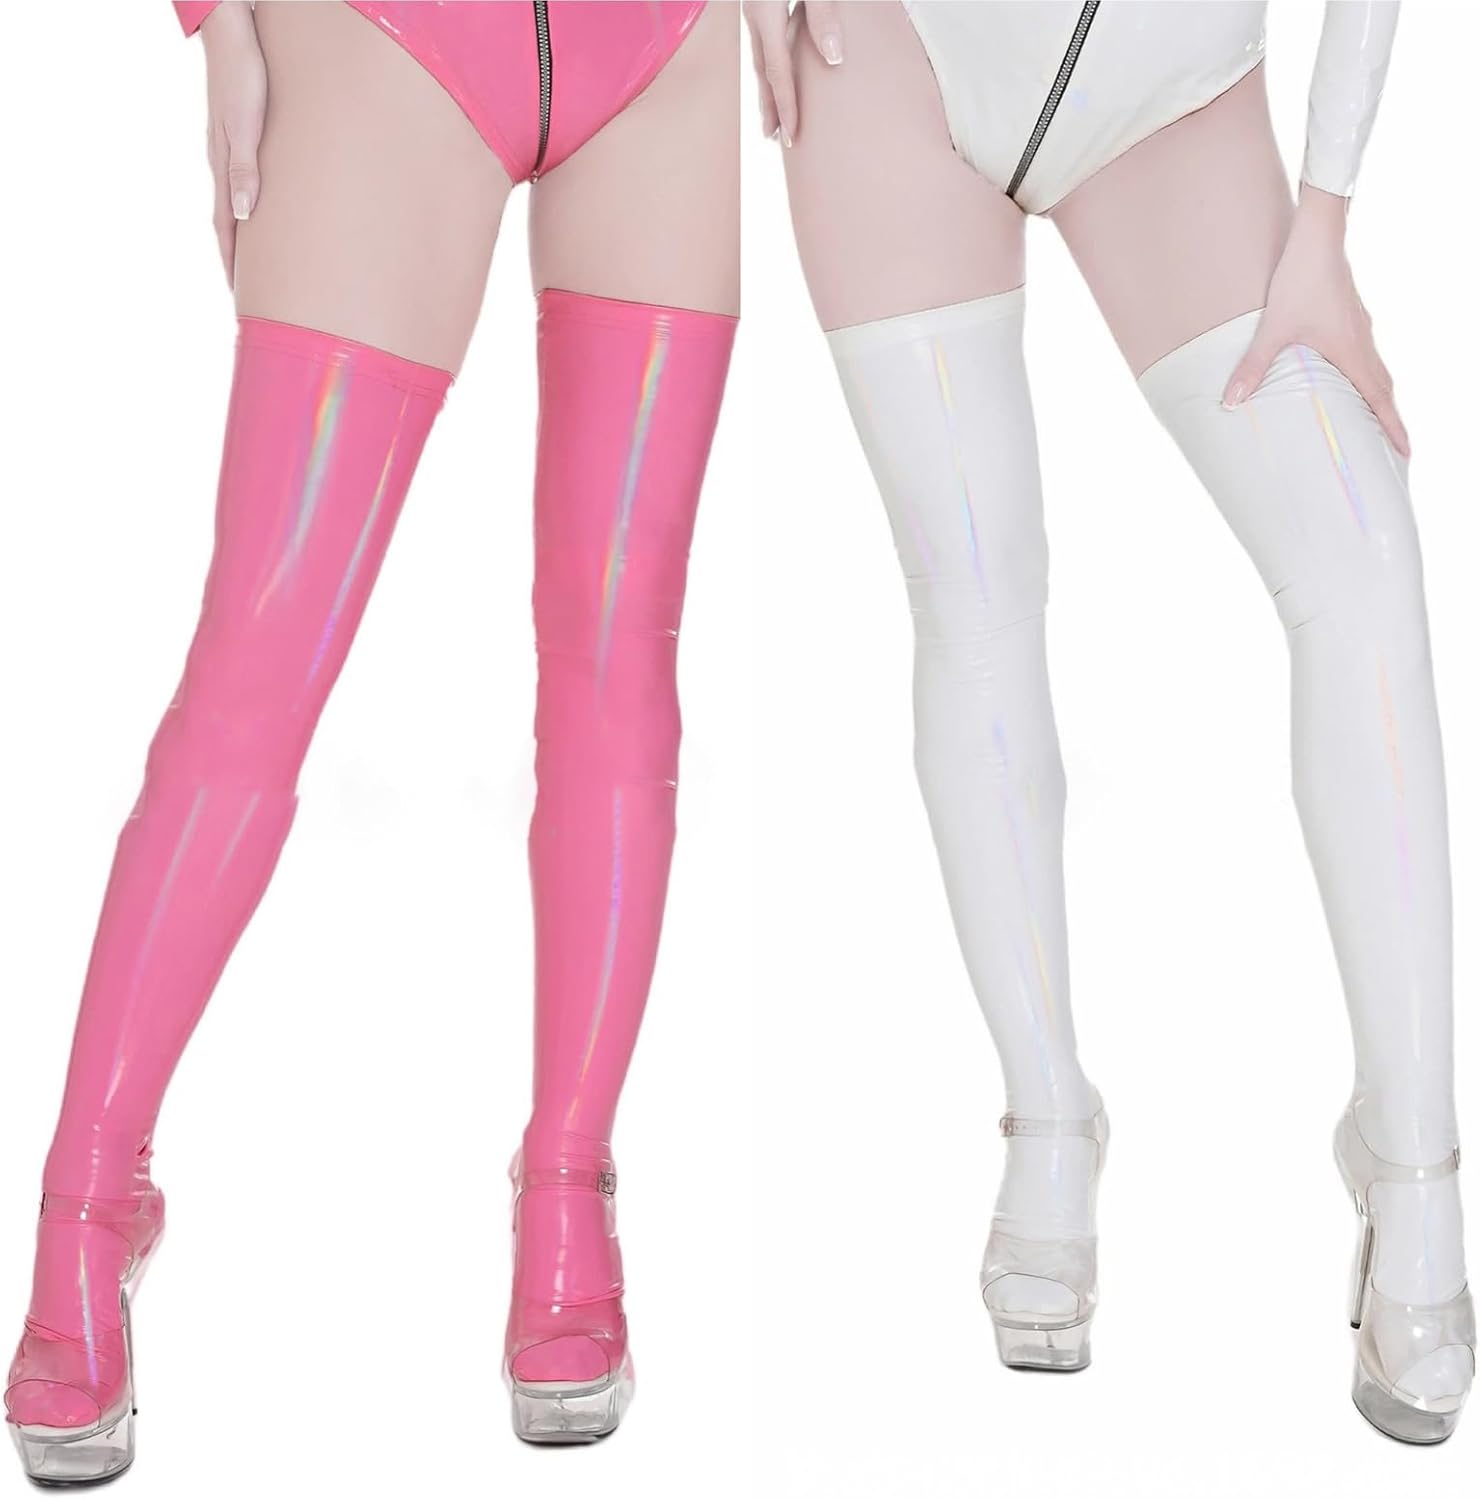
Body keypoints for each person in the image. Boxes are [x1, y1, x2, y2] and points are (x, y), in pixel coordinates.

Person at [5, 1, 738, 1481]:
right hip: (392, 35)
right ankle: (85, 1207)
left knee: (621, 656)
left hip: (668, 45)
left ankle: (567, 1188)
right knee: (256, 665)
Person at [746, 0, 1473, 1442]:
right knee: (972, 593)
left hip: (1167, 86)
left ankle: (1415, 1164)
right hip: (885, 62)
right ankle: (1048, 1117)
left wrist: (1325, 213)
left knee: (1362, 559)